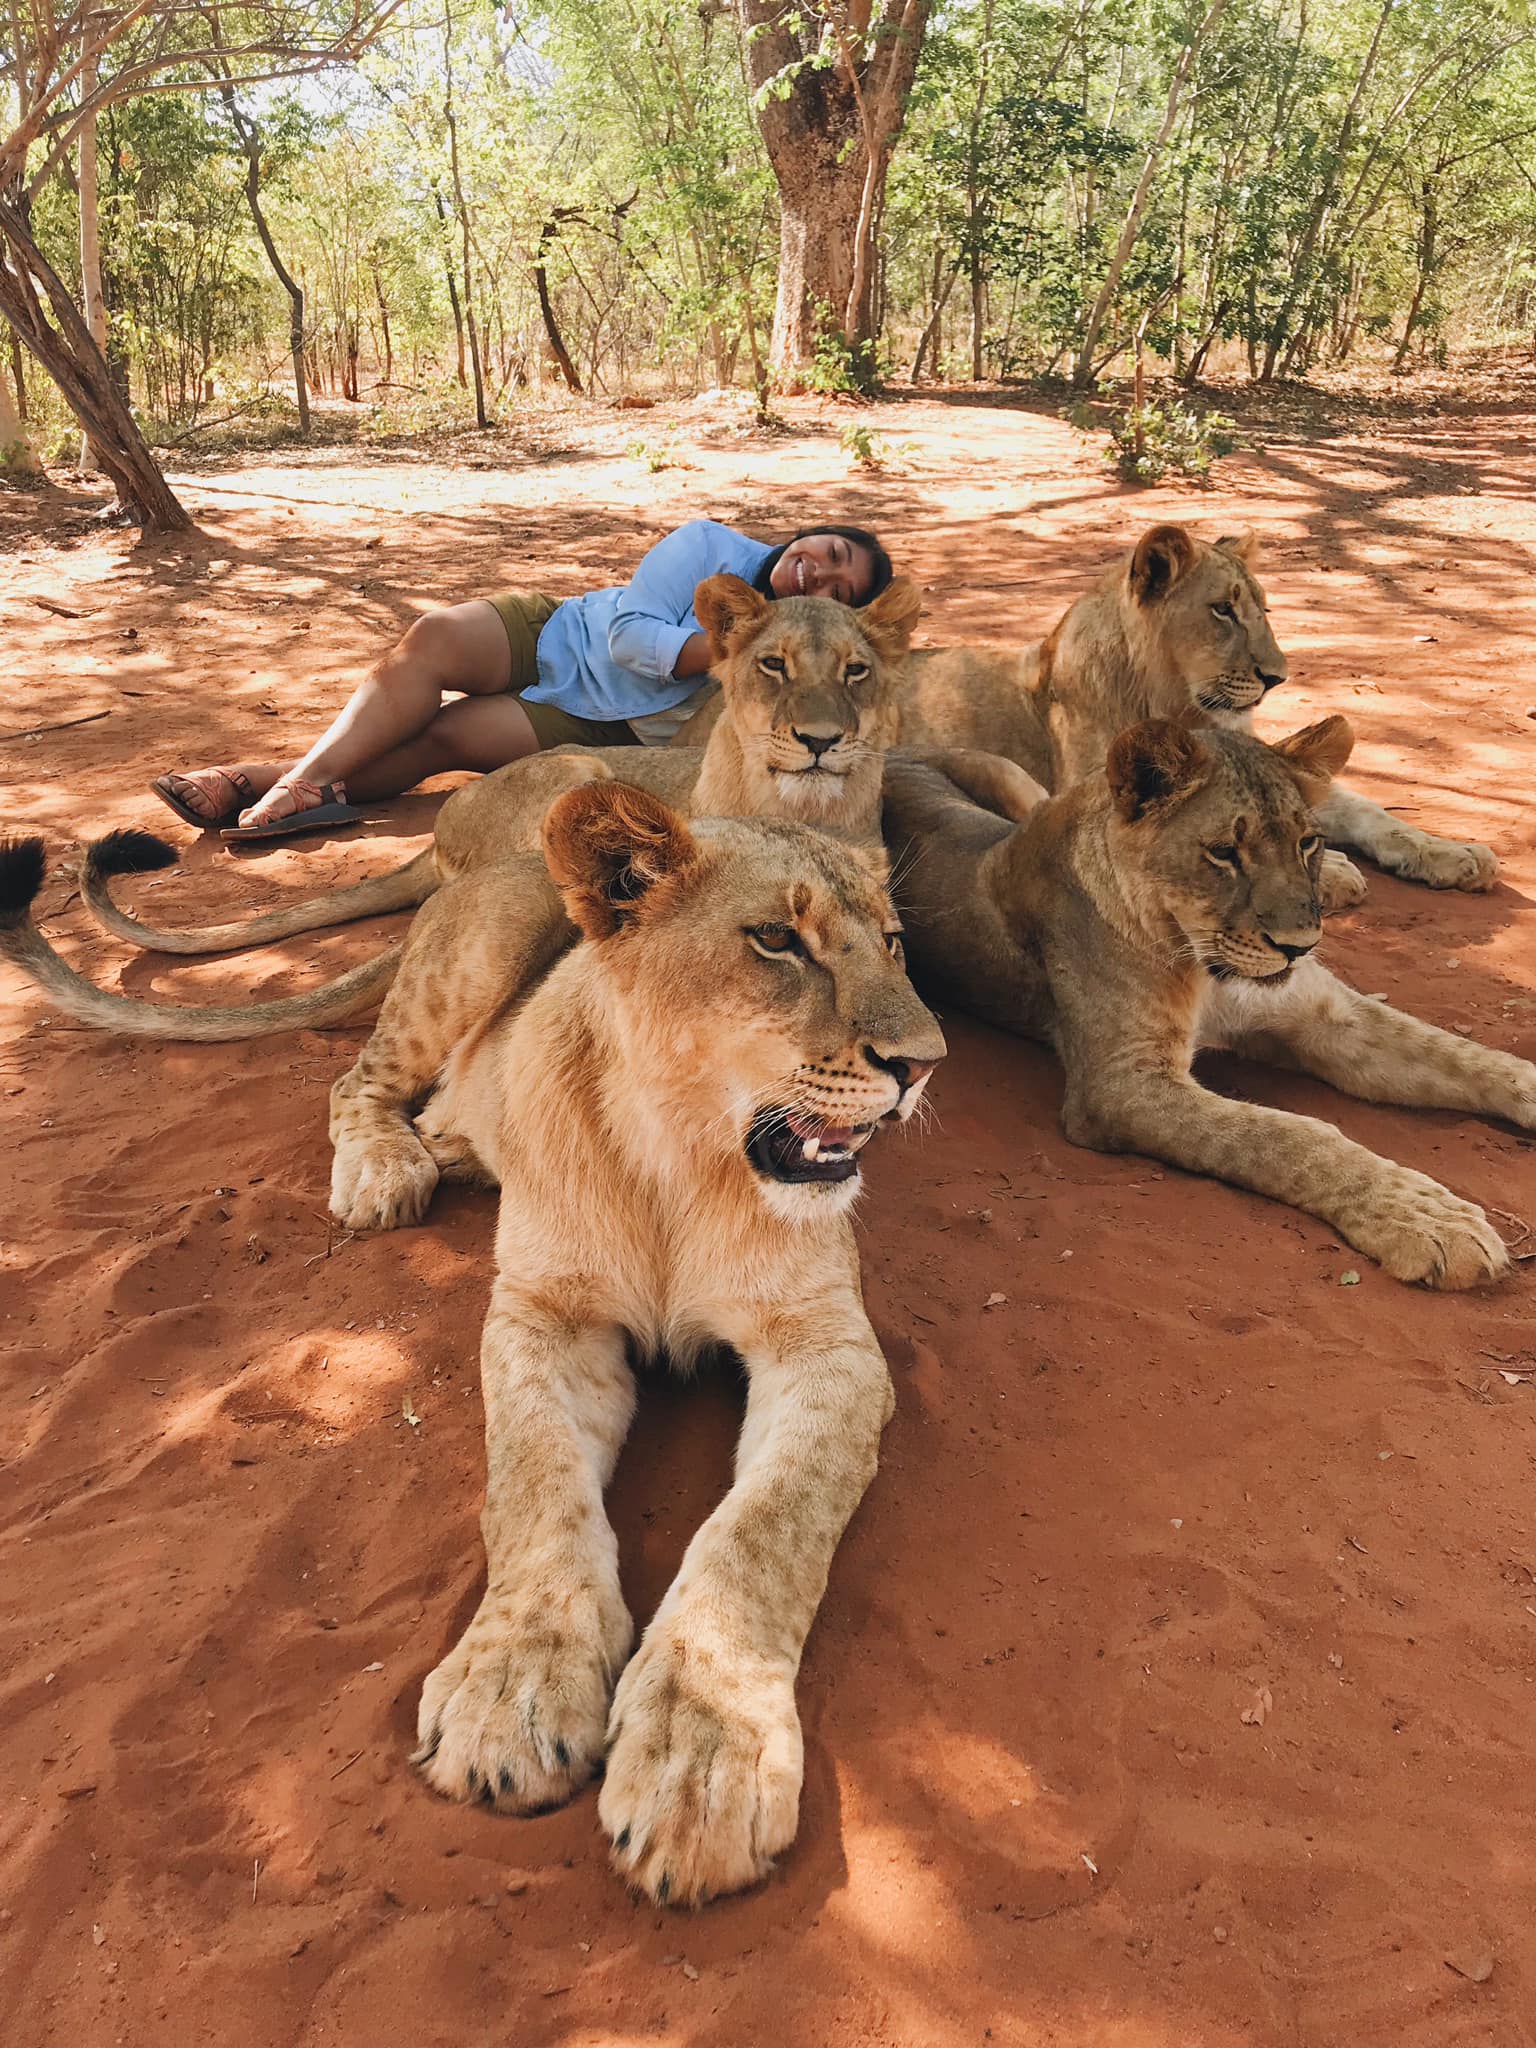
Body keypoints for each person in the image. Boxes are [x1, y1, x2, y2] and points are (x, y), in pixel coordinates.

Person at [153, 519, 895, 841]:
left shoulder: (811, 661)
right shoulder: (706, 545)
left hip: (614, 727)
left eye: (837, 588)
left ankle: (262, 782)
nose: (819, 573)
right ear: (808, 533)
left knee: (447, 736)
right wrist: (740, 644)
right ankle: (300, 781)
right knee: (432, 640)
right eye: (827, 550)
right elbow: (629, 635)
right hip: (562, 633)